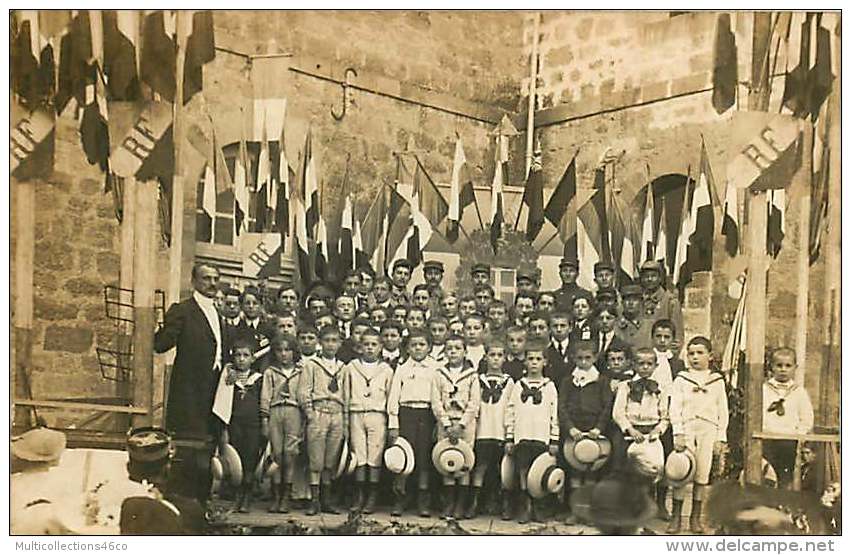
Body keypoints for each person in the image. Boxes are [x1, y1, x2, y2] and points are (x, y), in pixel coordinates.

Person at [155, 263, 229, 505]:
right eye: (206, 278)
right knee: (187, 450)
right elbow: (162, 344)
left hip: (213, 393)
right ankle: (181, 503)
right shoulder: (183, 310)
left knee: (207, 450)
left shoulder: (218, 313)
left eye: (216, 278)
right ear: (194, 281)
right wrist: (157, 325)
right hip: (189, 393)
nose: (212, 283)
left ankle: (202, 502)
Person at [668, 336, 728, 534]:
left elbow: (722, 409)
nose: (695, 357)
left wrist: (721, 437)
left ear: (710, 356)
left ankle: (695, 517)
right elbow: (674, 407)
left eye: (700, 353)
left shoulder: (717, 380)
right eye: (691, 353)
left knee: (702, 474)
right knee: (682, 472)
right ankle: (676, 516)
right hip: (686, 429)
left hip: (707, 430)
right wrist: (678, 432)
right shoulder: (681, 379)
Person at [504, 340, 560, 524]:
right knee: (522, 471)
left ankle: (539, 506)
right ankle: (524, 505)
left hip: (541, 437)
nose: (534, 362)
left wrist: (554, 439)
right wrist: (510, 436)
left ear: (545, 362)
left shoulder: (549, 386)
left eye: (538, 359)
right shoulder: (518, 385)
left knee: (539, 472)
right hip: (522, 436)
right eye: (530, 359)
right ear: (525, 362)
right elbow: (510, 410)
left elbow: (555, 414)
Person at [386, 330, 440, 516]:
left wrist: (438, 422)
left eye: (422, 345)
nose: (418, 348)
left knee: (424, 458)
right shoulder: (402, 368)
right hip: (406, 414)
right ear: (407, 348)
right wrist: (393, 423)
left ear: (429, 347)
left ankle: (423, 500)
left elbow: (437, 397)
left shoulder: (435, 368)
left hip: (426, 414)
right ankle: (400, 498)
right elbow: (393, 397)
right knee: (404, 457)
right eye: (414, 345)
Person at [342, 328, 394, 514]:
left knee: (375, 456)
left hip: (377, 414)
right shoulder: (351, 367)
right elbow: (346, 394)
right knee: (359, 455)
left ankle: (372, 496)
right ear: (359, 347)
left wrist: (391, 421)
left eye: (374, 344)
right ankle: (359, 494)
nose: (370, 348)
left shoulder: (386, 370)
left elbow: (390, 397)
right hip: (356, 413)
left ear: (380, 347)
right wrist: (346, 419)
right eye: (366, 344)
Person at [431, 334, 481, 519]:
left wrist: (460, 425)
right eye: (449, 348)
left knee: (464, 461)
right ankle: (449, 502)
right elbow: (435, 402)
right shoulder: (439, 374)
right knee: (446, 459)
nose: (453, 352)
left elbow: (475, 403)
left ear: (465, 352)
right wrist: (445, 423)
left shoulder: (472, 375)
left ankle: (461, 503)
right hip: (445, 423)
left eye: (457, 348)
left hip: (465, 424)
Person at [299, 325, 345, 515]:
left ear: (340, 343)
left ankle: (326, 500)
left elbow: (347, 394)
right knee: (316, 459)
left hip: (337, 413)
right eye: (327, 340)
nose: (330, 345)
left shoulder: (343, 367)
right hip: (318, 412)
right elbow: (303, 390)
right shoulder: (312, 365)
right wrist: (309, 413)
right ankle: (314, 500)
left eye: (334, 341)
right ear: (320, 342)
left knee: (330, 460)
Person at [259, 333, 303, 513]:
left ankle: (287, 495)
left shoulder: (301, 371)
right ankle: (275, 495)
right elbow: (265, 396)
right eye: (279, 351)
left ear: (294, 352)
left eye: (287, 350)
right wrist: (264, 419)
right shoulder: (270, 372)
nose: (283, 354)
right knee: (277, 455)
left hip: (294, 412)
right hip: (276, 411)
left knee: (290, 454)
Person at [471, 337, 514, 519]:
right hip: (482, 430)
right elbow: (474, 406)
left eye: (499, 355)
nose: (495, 359)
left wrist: (509, 434)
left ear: (505, 358)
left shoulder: (510, 382)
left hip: (500, 431)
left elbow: (511, 409)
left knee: (501, 468)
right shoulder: (477, 380)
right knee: (480, 466)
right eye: (492, 355)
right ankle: (473, 502)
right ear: (485, 357)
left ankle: (503, 503)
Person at [220, 336, 264, 512]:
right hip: (234, 424)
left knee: (250, 458)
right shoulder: (228, 378)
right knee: (234, 458)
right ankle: (236, 494)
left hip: (253, 425)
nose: (241, 359)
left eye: (246, 355)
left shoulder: (258, 379)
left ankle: (247, 494)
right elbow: (221, 403)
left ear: (253, 358)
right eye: (238, 355)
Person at [611, 347, 669, 476]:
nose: (645, 367)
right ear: (633, 365)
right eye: (641, 364)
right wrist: (630, 429)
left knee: (651, 471)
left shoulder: (660, 389)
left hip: (651, 436)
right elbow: (618, 413)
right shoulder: (625, 386)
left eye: (649, 364)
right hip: (629, 435)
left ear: (656, 366)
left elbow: (665, 416)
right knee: (626, 473)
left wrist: (658, 430)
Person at [762, 347, 814, 489]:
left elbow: (807, 417)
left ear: (795, 368)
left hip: (788, 441)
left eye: (788, 366)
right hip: (768, 439)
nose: (783, 369)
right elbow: (758, 413)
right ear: (771, 367)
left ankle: (783, 505)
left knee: (786, 476)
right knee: (767, 474)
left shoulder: (799, 392)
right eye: (779, 365)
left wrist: (799, 434)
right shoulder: (764, 389)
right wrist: (765, 430)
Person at [638, 261, 683, 350]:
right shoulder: (638, 300)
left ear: (660, 278)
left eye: (653, 276)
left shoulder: (670, 302)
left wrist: (669, 357)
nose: (649, 279)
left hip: (662, 353)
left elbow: (677, 335)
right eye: (646, 276)